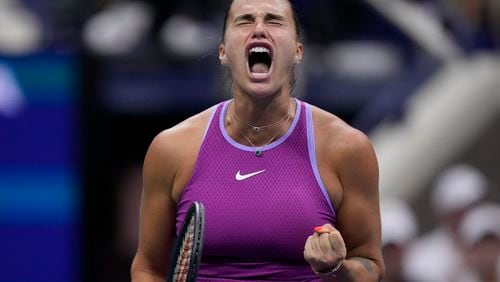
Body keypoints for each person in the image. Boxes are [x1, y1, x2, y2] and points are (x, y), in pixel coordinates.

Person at [130, 0, 384, 281]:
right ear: (223, 52)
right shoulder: (171, 149)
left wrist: (336, 268)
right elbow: (148, 269)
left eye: (274, 20)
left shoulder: (347, 148)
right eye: (245, 20)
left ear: (298, 51)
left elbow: (371, 266)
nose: (259, 29)